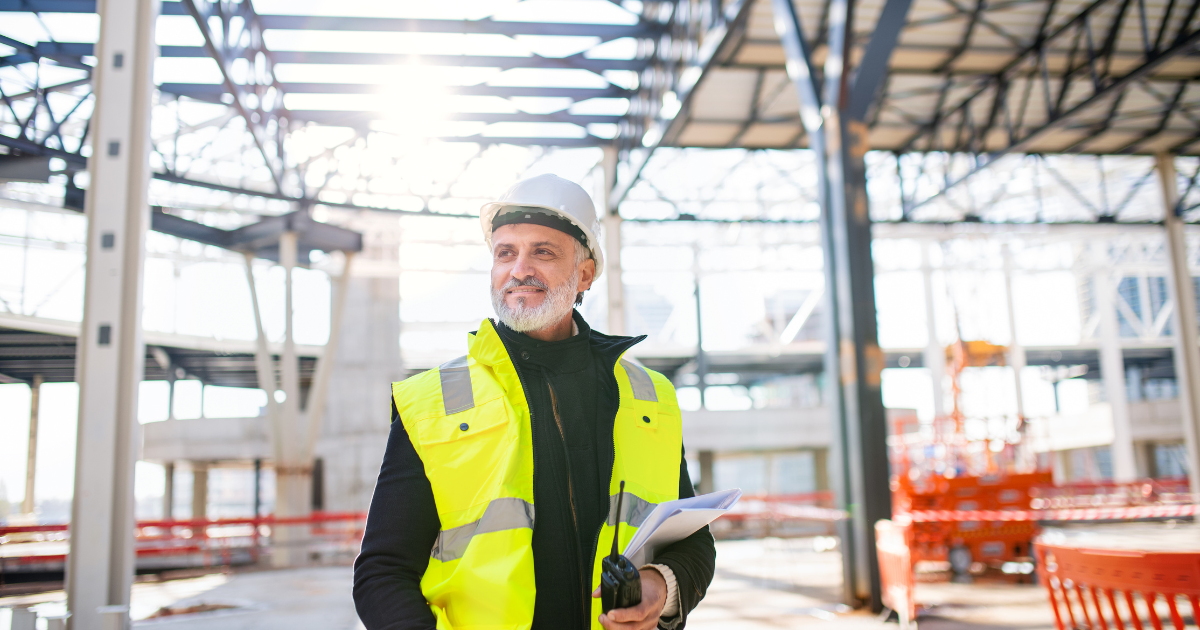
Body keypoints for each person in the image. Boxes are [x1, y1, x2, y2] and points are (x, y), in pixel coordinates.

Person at [353, 174, 716, 630]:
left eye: (542, 252)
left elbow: (694, 543)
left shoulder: (649, 398)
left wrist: (661, 587)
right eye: (505, 253)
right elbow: (382, 573)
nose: (519, 269)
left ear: (584, 273)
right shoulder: (431, 403)